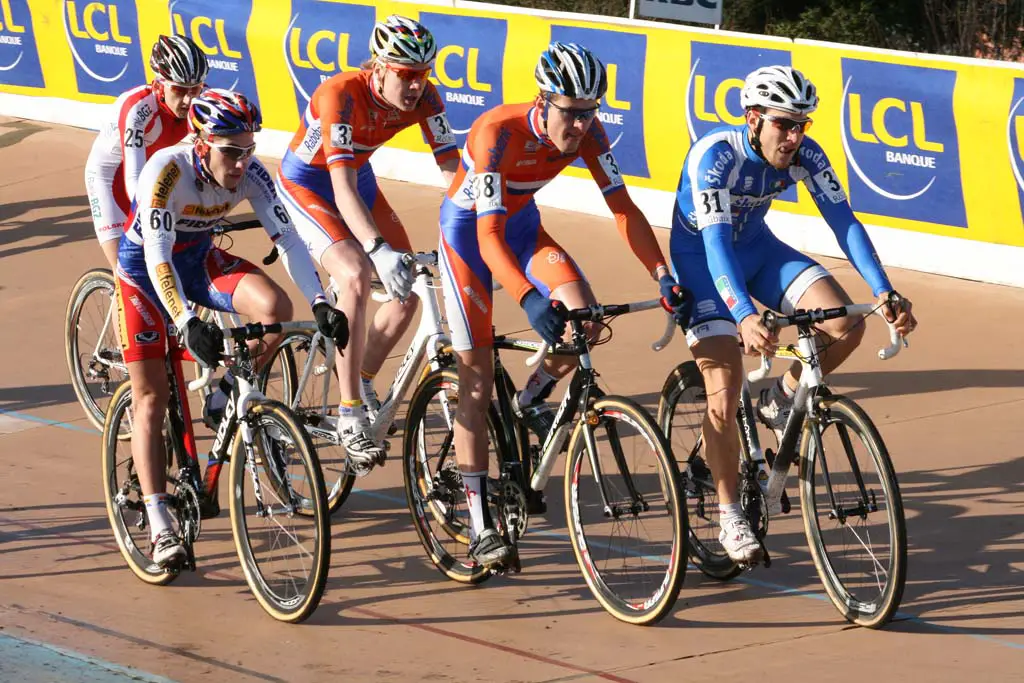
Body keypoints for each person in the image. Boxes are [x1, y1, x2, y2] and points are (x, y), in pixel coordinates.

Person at [438, 42, 691, 567]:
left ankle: (530, 400)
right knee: (478, 379)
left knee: (586, 320)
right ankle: (482, 524)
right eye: (570, 113)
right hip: (469, 238)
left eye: (589, 112)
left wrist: (662, 274)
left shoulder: (592, 135)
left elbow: (623, 209)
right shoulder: (496, 133)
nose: (579, 126)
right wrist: (529, 299)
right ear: (543, 100)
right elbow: (486, 237)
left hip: (524, 229)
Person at [668, 65, 917, 564]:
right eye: (784, 123)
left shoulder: (805, 153)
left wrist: (884, 289)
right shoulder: (716, 158)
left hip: (758, 250)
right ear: (753, 118)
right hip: (702, 260)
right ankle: (729, 512)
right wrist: (742, 315)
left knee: (846, 323)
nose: (794, 135)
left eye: (802, 124)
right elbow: (715, 244)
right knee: (726, 381)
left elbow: (843, 221)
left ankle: (781, 399)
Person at [114, 89, 349, 568]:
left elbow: (287, 237)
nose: (242, 163)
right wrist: (184, 321)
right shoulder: (166, 171)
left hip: (199, 260)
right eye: (231, 151)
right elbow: (157, 258)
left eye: (249, 149)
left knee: (273, 307)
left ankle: (225, 389)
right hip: (144, 274)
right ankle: (161, 525)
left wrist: (321, 301)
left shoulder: (254, 175)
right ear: (201, 143)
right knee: (152, 396)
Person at [275, 15, 459, 469]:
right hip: (309, 184)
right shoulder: (339, 95)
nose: (416, 85)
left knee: (409, 292)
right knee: (356, 274)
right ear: (378, 67)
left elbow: (453, 171)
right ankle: (349, 413)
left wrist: (468, 238)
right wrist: (377, 248)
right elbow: (339, 188)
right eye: (406, 75)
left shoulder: (426, 97)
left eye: (423, 74)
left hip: (359, 179)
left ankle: (360, 375)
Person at [85, 34, 208, 269]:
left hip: (150, 171)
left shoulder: (202, 104)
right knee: (126, 271)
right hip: (109, 178)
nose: (189, 100)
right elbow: (134, 177)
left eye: (196, 89)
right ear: (160, 85)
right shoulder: (137, 109)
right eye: (180, 90)